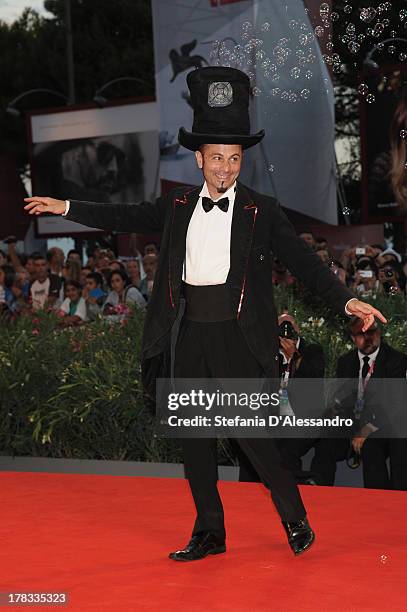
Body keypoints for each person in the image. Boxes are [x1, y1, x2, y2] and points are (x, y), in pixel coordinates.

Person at [24, 66, 386, 561]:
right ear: (199, 158)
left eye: (234, 159)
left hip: (236, 337)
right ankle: (210, 533)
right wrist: (63, 205)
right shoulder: (175, 205)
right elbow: (123, 215)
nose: (225, 168)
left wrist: (346, 299)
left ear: (242, 161)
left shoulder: (262, 210)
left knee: (252, 437)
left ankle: (296, 519)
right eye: (216, 158)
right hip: (186, 334)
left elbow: (304, 264)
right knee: (194, 440)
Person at [335, 318, 407, 490]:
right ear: (353, 338)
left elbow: (395, 405)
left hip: (386, 422)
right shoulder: (346, 362)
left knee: (394, 439)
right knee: (326, 437)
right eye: (361, 334)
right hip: (356, 420)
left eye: (371, 333)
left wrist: (367, 429)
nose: (367, 338)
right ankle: (316, 486)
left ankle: (399, 499)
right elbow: (343, 401)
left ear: (379, 334)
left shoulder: (396, 360)